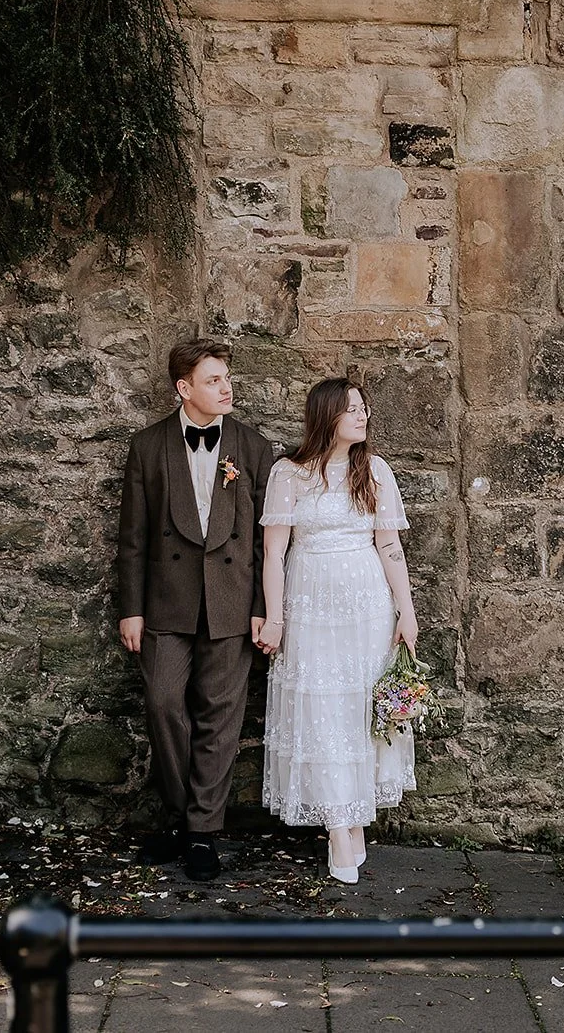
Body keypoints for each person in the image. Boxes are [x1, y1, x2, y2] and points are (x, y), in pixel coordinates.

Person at [115, 336, 273, 881]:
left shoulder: (253, 447)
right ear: (184, 388)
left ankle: (202, 831)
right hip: (166, 601)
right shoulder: (147, 446)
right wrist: (131, 608)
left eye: (227, 378)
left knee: (220, 718)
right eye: (213, 380)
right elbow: (133, 537)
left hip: (232, 601)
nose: (226, 388)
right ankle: (182, 815)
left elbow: (265, 541)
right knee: (163, 703)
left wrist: (262, 607)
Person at [254, 378, 418, 884]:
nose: (362, 415)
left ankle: (353, 814)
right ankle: (338, 826)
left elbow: (389, 546)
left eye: (364, 408)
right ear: (326, 415)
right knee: (319, 711)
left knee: (358, 711)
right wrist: (275, 618)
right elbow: (274, 553)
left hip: (366, 605)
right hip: (310, 606)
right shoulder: (289, 473)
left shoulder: (375, 470)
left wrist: (406, 611)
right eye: (352, 409)